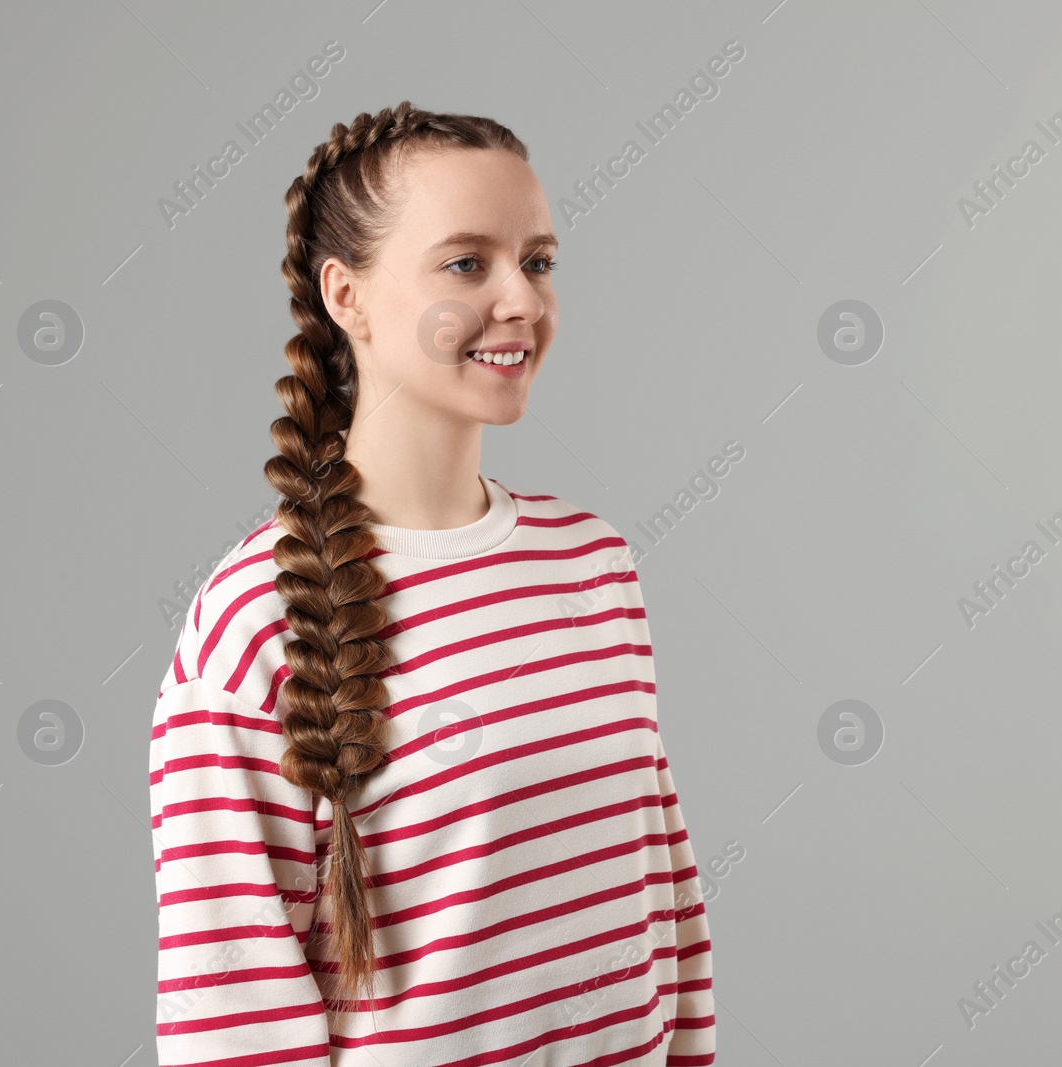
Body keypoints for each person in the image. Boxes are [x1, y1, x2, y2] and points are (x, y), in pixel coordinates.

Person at [147, 101, 716, 1066]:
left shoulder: (594, 563)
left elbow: (665, 906)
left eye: (537, 261)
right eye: (466, 264)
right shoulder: (252, 624)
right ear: (347, 296)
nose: (523, 301)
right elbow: (232, 1025)